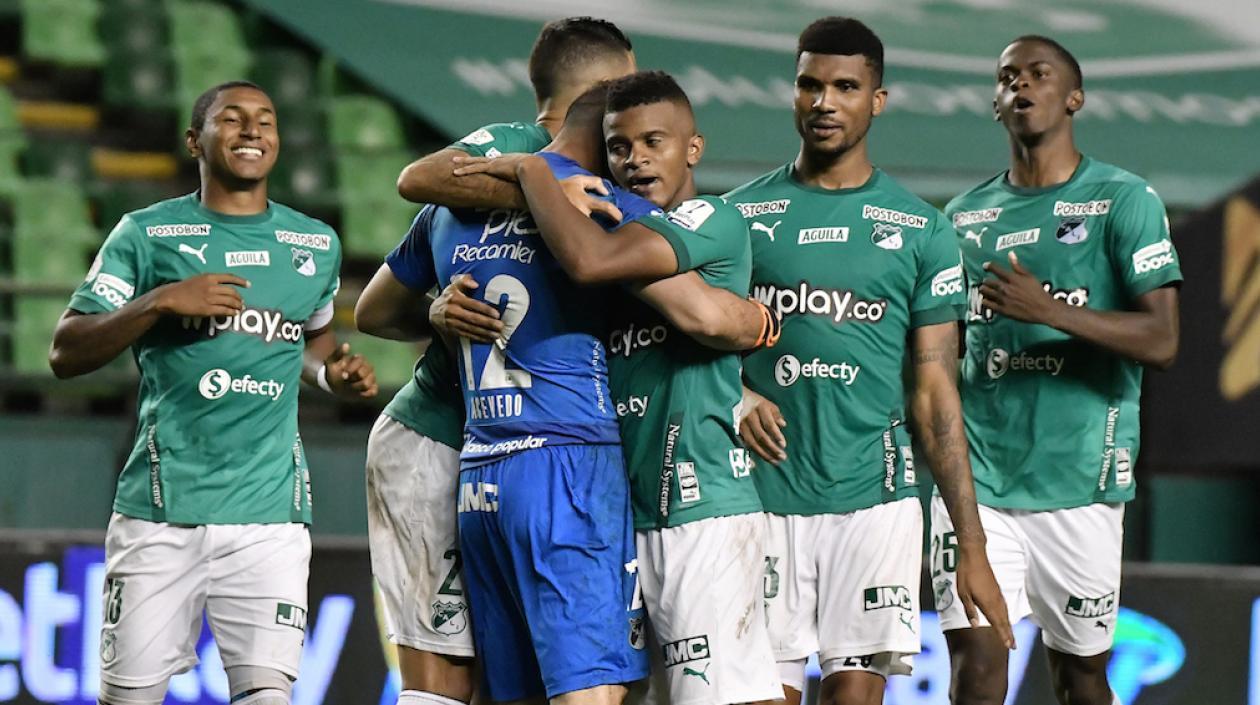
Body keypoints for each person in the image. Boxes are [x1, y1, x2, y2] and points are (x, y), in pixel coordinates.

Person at [453, 70, 783, 705]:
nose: (635, 160)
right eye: (619, 146)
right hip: (623, 509)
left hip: (699, 506)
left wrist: (531, 175)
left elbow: (607, 269)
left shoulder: (705, 217)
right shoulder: (609, 225)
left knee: (729, 696)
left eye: (653, 142)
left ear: (694, 148)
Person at [48, 80, 378, 705]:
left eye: (266, 120)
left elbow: (313, 340)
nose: (253, 130)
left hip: (270, 516)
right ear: (194, 140)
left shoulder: (314, 243)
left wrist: (330, 373)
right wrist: (159, 301)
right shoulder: (146, 234)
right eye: (233, 119)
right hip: (160, 512)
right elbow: (66, 351)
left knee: (267, 696)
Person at [724, 17, 1012, 705]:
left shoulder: (922, 229)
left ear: (876, 100)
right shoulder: (737, 217)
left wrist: (970, 542)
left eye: (845, 87)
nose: (825, 101)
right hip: (761, 502)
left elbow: (937, 394)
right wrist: (737, 394)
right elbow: (692, 350)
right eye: (810, 85)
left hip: (874, 505)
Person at [354, 18, 637, 705]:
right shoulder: (510, 150)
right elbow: (378, 295)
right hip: (439, 438)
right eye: (626, 88)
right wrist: (434, 314)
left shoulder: (606, 186)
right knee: (443, 683)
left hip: (506, 455)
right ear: (598, 96)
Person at [933, 35, 1181, 705]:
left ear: (1073, 97)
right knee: (977, 673)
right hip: (980, 483)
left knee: (1081, 677)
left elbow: (1162, 339)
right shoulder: (963, 218)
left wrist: (1047, 310)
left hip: (1080, 482)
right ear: (995, 103)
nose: (1022, 84)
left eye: (1039, 74)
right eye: (1008, 76)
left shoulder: (1124, 200)